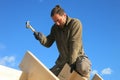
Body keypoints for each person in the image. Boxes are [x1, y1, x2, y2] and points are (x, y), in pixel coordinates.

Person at [33, 5, 91, 79]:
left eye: (58, 20)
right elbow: (48, 43)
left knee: (82, 68)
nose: (57, 23)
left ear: (64, 15)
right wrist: (41, 38)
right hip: (62, 62)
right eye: (54, 21)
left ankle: (85, 78)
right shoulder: (54, 28)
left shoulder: (75, 23)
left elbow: (74, 45)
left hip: (77, 58)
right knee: (47, 77)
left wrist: (72, 63)